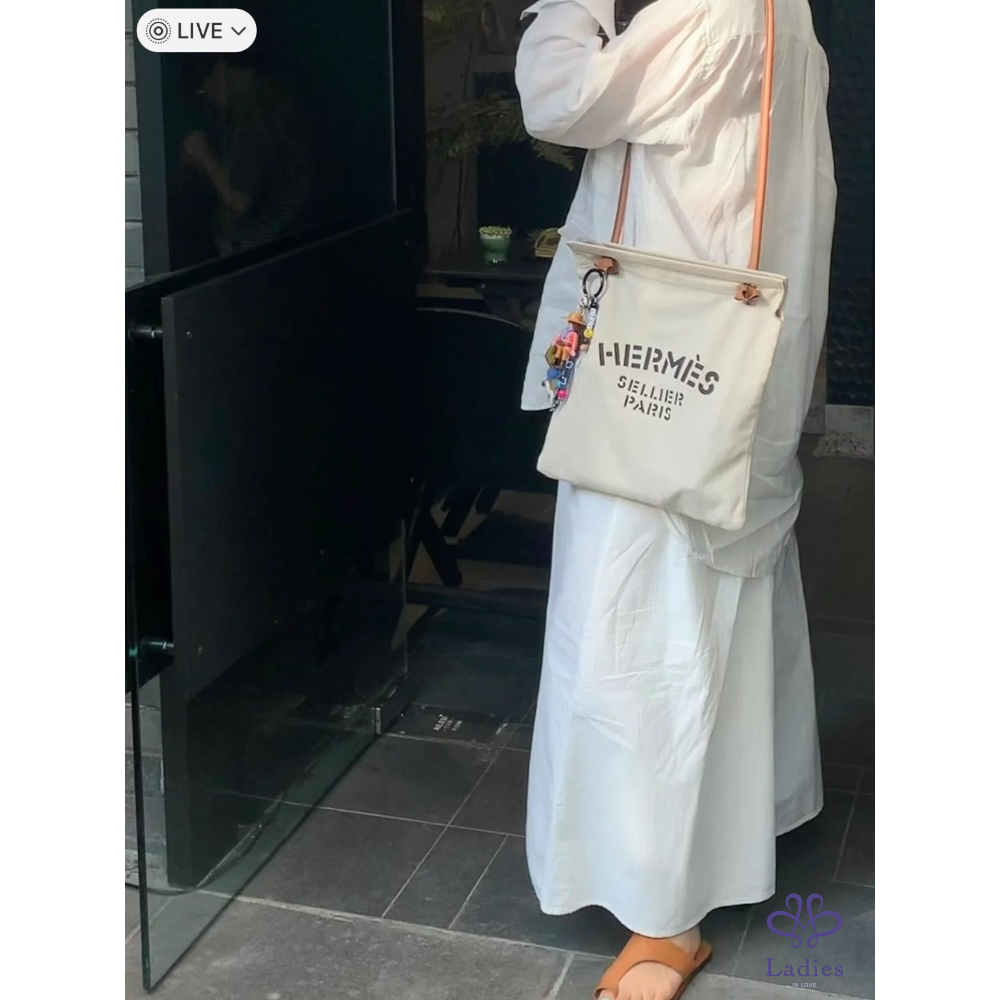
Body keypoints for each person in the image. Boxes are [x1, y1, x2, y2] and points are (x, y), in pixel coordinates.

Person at [514, 2, 836, 998]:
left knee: (645, 619)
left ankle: (665, 914)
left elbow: (559, 99)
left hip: (657, 376)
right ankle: (740, 827)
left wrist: (569, 9)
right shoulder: (782, 15)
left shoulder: (706, 13)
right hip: (723, 364)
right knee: (710, 599)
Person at [180, 51, 314, 257]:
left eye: (203, 87)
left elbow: (240, 201)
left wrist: (204, 157)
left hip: (263, 251)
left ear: (220, 68)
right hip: (282, 243)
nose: (208, 96)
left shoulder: (257, 105)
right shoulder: (268, 97)